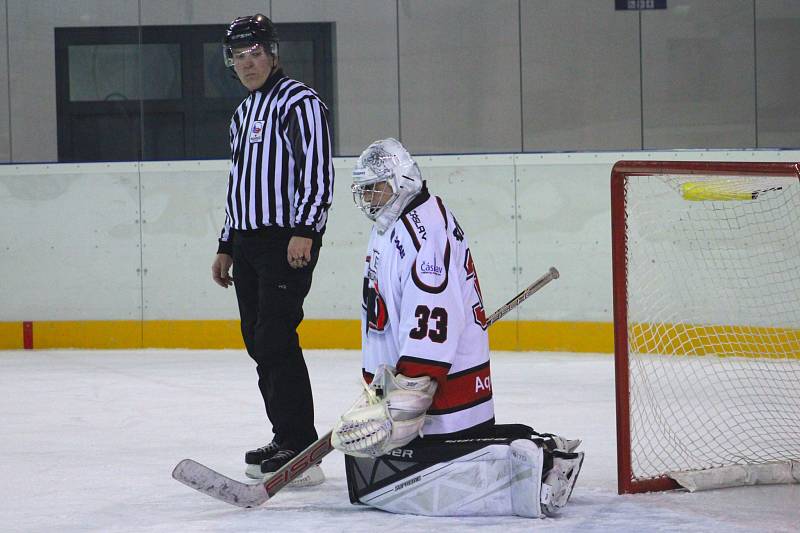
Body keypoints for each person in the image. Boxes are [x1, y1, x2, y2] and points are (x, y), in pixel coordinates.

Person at [331, 138, 583, 517]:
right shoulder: (395, 220)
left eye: (374, 187)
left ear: (400, 181)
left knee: (445, 457)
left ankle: (546, 458)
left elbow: (432, 318)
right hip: (403, 378)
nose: (368, 198)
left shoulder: (424, 237)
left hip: (442, 379)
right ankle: (541, 450)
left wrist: (410, 391)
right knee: (398, 467)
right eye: (364, 190)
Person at [211, 14, 333, 486]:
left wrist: (306, 229)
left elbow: (318, 173)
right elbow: (238, 185)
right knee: (258, 340)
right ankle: (287, 435)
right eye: (239, 57)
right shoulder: (243, 113)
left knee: (276, 335)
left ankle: (300, 444)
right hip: (246, 244)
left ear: (273, 53)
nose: (248, 63)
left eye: (256, 53)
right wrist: (226, 243)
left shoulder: (300, 102)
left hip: (287, 241)